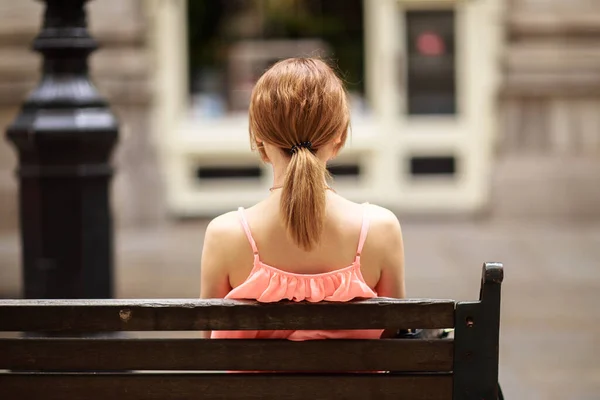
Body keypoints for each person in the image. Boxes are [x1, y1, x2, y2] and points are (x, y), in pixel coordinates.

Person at [200, 57, 405, 340]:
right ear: (340, 137)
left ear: (258, 139)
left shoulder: (225, 235)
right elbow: (394, 338)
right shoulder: (380, 229)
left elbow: (211, 346)